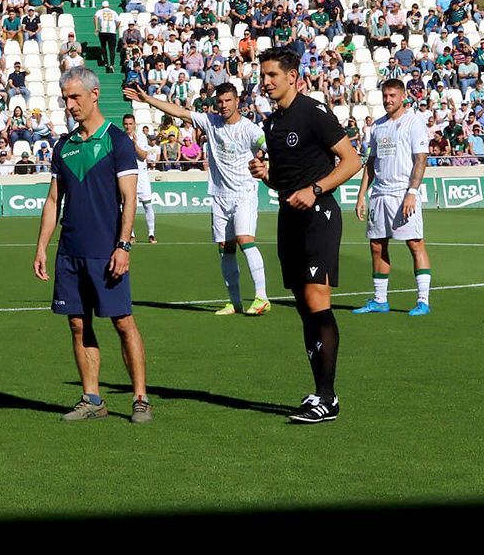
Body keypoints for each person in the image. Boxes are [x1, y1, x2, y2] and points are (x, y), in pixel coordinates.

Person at [248, 48, 362, 423]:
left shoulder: (314, 112)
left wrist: (314, 189)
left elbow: (352, 161)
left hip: (319, 216)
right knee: (303, 307)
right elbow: (284, 179)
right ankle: (320, 391)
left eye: (272, 76)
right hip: (288, 218)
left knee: (317, 302)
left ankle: (327, 398)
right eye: (263, 76)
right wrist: (267, 175)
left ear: (293, 76)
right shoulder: (273, 123)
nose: (265, 82)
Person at [34, 66, 151, 424]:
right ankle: (92, 398)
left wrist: (124, 246)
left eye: (76, 97)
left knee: (122, 322)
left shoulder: (116, 141)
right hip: (70, 251)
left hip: (107, 250)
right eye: (66, 98)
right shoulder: (64, 146)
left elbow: (129, 199)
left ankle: (140, 398)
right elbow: (54, 200)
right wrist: (42, 246)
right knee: (77, 324)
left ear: (94, 95)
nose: (70, 105)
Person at [125, 81, 271, 316]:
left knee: (245, 239)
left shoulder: (249, 128)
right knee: (225, 247)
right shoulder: (210, 121)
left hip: (244, 192)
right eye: (219, 101)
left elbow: (265, 143)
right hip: (219, 195)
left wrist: (263, 156)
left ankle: (262, 297)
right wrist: (148, 100)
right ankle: (235, 302)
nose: (223, 105)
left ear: (237, 102)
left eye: (228, 101)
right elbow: (179, 111)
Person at [354, 79, 434, 316]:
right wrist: (361, 196)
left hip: (403, 193)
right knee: (377, 245)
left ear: (402, 97)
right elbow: (370, 163)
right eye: (385, 96)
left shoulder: (414, 123)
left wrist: (412, 192)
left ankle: (423, 300)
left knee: (415, 243)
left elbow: (421, 160)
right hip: (380, 194)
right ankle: (380, 300)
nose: (388, 100)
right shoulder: (377, 126)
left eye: (392, 96)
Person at [122, 113, 157, 244]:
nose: (128, 126)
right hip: (127, 174)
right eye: (126, 124)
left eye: (130, 124)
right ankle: (130, 235)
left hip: (141, 174)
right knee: (128, 205)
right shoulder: (120, 138)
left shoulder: (141, 137)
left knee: (147, 204)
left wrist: (134, 144)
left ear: (134, 124)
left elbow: (143, 156)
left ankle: (151, 234)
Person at [94, 0, 119, 74]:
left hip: (103, 30)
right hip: (112, 32)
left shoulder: (100, 11)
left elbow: (95, 17)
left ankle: (106, 62)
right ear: (108, 6)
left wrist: (96, 27)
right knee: (112, 49)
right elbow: (118, 21)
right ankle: (112, 64)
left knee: (103, 46)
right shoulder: (113, 12)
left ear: (102, 6)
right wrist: (116, 28)